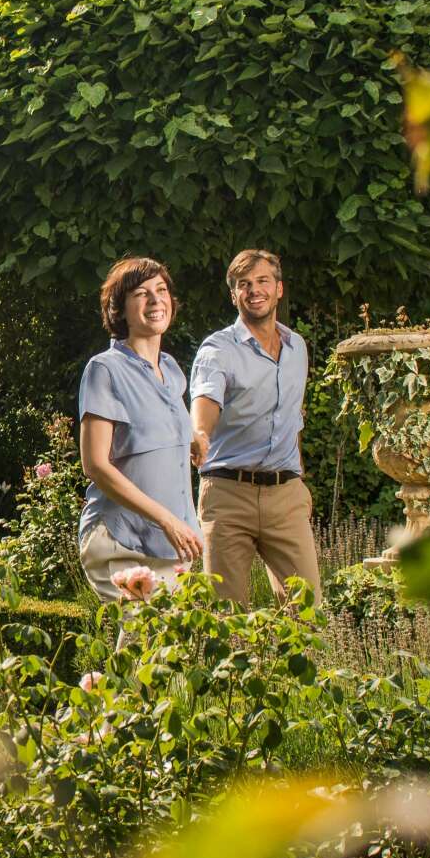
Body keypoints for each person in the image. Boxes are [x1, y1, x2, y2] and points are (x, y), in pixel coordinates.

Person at [189, 248, 321, 605]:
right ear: (234, 296)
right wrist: (200, 435)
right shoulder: (217, 350)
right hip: (228, 494)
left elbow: (292, 419)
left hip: (285, 495)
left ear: (279, 289)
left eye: (263, 281)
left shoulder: (297, 349)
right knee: (225, 618)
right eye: (243, 284)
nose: (254, 290)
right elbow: (206, 400)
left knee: (307, 612)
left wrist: (300, 484)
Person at [77, 257, 203, 602]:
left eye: (161, 290)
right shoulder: (105, 369)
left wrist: (191, 438)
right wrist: (166, 519)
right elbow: (96, 465)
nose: (155, 300)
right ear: (120, 309)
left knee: (160, 653)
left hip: (171, 546)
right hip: (120, 540)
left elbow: (157, 422)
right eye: (141, 293)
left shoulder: (171, 369)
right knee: (143, 642)